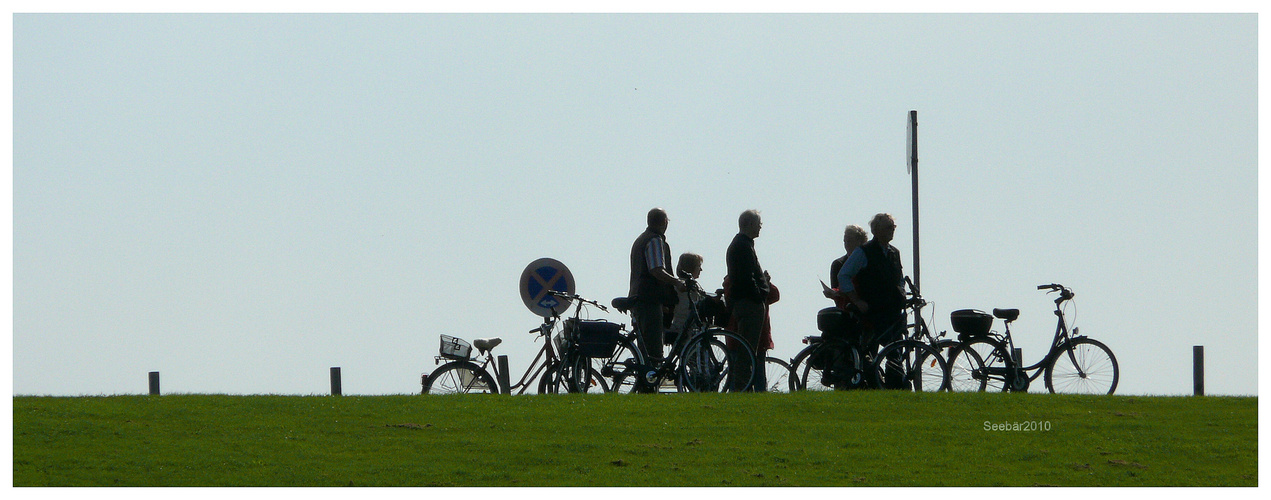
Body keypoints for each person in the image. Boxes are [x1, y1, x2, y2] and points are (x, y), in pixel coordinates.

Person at [836, 213, 908, 388]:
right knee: (877, 352)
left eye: (893, 227)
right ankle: (876, 385)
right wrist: (857, 300)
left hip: (893, 311)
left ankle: (894, 388)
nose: (892, 231)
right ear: (875, 230)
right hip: (874, 311)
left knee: (895, 352)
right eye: (888, 227)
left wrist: (903, 294)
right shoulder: (864, 252)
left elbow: (898, 279)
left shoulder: (894, 253)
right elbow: (843, 275)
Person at [628, 208, 685, 369]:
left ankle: (644, 384)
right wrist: (677, 282)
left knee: (644, 348)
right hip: (649, 301)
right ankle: (649, 384)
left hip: (638, 298)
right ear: (664, 222)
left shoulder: (641, 239)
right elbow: (656, 270)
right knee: (653, 350)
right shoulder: (654, 240)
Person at [725, 209, 769, 391]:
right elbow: (746, 277)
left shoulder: (741, 244)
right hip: (749, 303)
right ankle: (741, 388)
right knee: (747, 351)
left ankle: (742, 387)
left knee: (747, 349)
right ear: (749, 224)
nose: (760, 228)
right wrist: (759, 295)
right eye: (758, 224)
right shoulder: (743, 246)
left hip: (745, 302)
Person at [825, 224, 869, 309]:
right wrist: (834, 293)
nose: (846, 244)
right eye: (845, 241)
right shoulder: (838, 264)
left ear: (860, 241)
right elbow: (835, 289)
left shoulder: (869, 261)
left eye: (849, 241)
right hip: (846, 309)